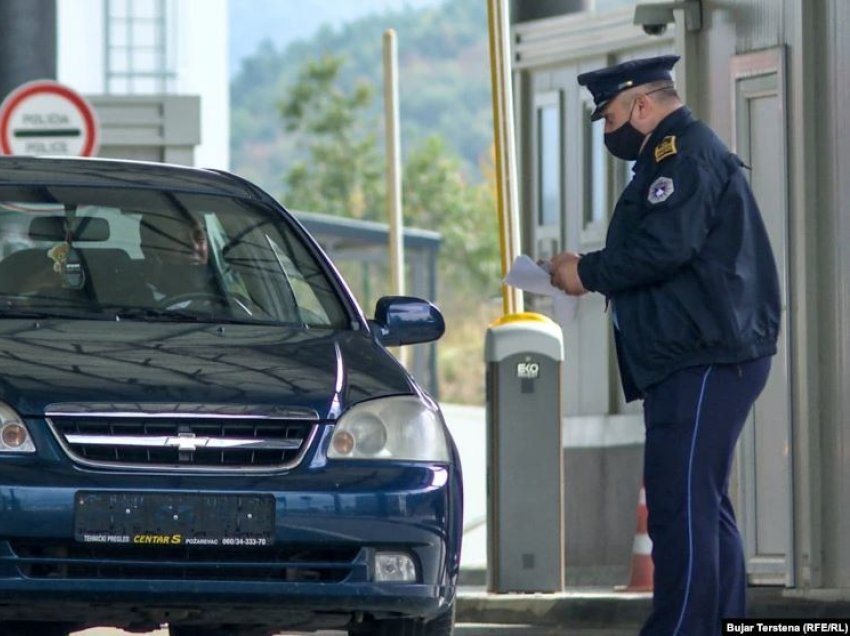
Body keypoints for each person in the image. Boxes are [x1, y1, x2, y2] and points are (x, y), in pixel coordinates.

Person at [549, 55, 781, 635]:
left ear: (641, 105)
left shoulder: (684, 155)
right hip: (701, 354)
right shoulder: (672, 154)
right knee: (703, 504)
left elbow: (664, 248)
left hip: (702, 356)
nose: (609, 131)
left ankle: (680, 628)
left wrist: (587, 272)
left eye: (610, 117)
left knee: (679, 508)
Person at [138, 212, 216, 304]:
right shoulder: (128, 301)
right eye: (181, 240)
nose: (194, 247)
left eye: (200, 239)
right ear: (150, 250)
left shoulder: (226, 304)